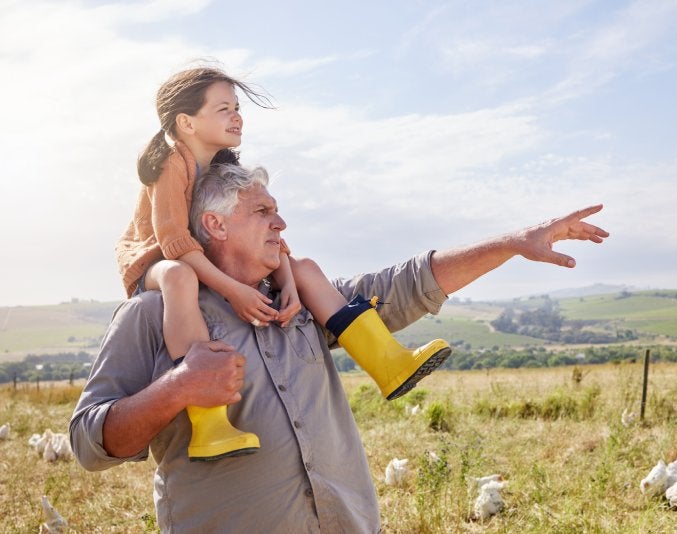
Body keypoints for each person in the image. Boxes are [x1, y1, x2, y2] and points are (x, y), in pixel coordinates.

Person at [71, 162, 609, 532]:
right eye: (263, 212)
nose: (281, 223)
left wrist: (511, 243)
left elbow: (408, 283)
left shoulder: (303, 299)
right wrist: (178, 388)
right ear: (214, 224)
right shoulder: (152, 315)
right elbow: (89, 443)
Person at [115, 66, 451, 461]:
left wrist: (288, 280)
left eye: (237, 107)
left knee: (306, 266)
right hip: (155, 262)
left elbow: (264, 233)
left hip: (198, 255)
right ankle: (210, 423)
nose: (237, 116)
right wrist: (234, 289)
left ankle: (387, 362)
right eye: (224, 108)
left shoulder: (223, 168)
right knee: (179, 278)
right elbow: (173, 242)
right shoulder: (172, 162)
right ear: (186, 122)